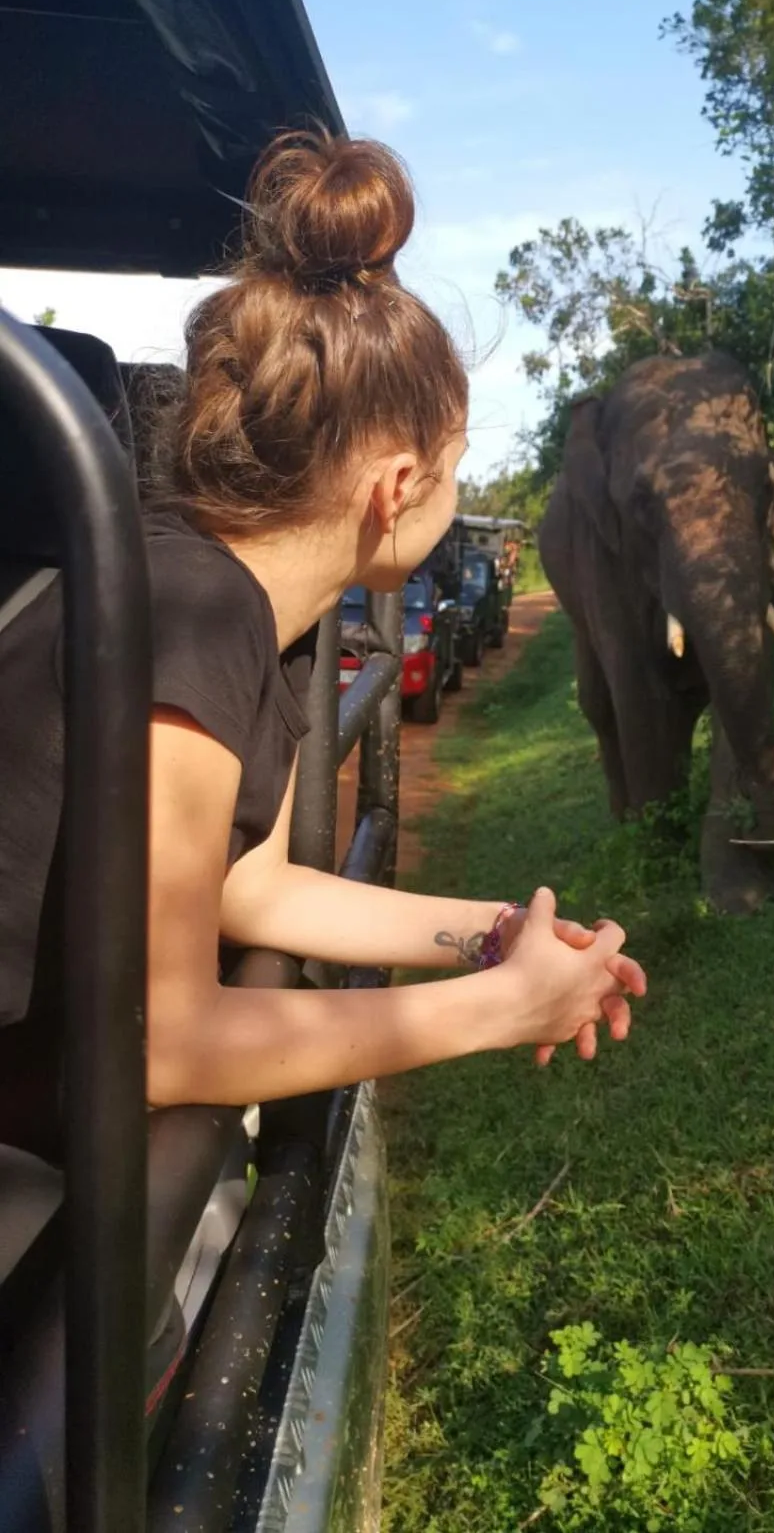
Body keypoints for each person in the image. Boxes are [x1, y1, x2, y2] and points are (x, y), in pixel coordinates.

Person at [0, 130, 645, 1159]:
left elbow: (244, 882)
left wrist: (491, 934)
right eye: (454, 469)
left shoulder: (255, 617)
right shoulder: (193, 618)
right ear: (396, 488)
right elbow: (161, 1040)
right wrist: (496, 1010)